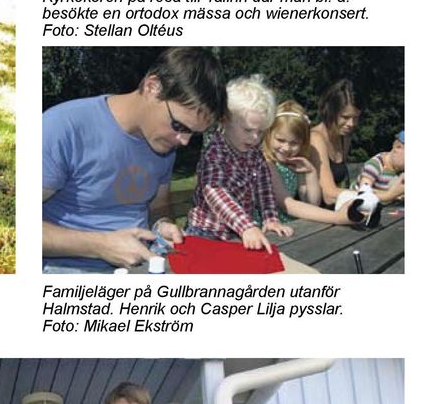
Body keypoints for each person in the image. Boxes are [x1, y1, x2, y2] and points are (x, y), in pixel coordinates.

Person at [42, 47, 226, 273]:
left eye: (193, 133)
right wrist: (100, 246)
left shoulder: (165, 142)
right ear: (152, 87)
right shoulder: (62, 126)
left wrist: (162, 226)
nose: (184, 141)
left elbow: (158, 209)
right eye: (179, 126)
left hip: (147, 264)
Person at [186, 74, 293, 254]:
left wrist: (270, 218)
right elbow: (216, 194)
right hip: (206, 232)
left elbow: (263, 186)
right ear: (225, 119)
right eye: (248, 130)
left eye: (261, 132)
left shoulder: (254, 152)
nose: (255, 138)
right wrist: (246, 226)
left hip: (236, 232)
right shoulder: (214, 153)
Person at [262, 101, 355, 226]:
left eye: (294, 143)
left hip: (292, 224)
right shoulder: (267, 163)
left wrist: (310, 172)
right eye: (280, 140)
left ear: (302, 143)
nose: (286, 148)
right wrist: (337, 217)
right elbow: (286, 204)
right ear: (269, 135)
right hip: (268, 225)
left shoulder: (295, 163)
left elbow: (312, 202)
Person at [310, 78, 362, 205]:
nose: (351, 124)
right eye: (345, 117)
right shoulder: (315, 139)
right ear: (330, 112)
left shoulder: (345, 138)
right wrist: (386, 195)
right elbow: (329, 194)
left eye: (355, 118)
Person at [357, 130, 405, 204]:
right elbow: (363, 193)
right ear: (397, 147)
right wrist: (392, 194)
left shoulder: (400, 170)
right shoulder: (375, 165)